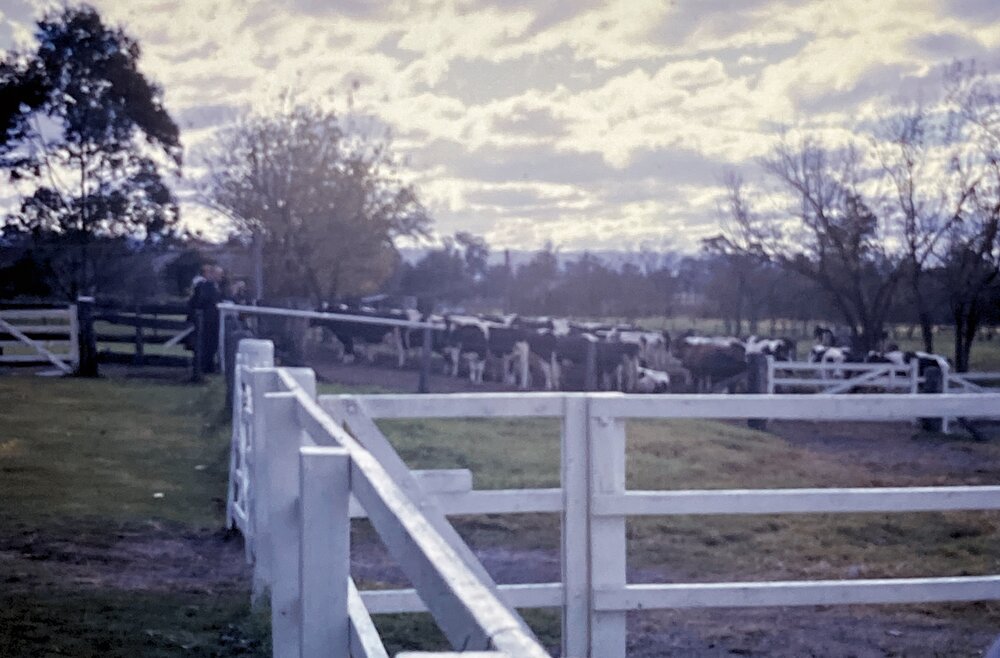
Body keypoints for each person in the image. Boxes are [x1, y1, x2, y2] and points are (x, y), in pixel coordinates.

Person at [187, 264, 222, 373]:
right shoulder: (205, 286)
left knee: (211, 344)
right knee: (206, 343)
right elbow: (200, 301)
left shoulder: (213, 286)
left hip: (211, 319)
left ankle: (208, 366)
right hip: (207, 320)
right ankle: (204, 367)